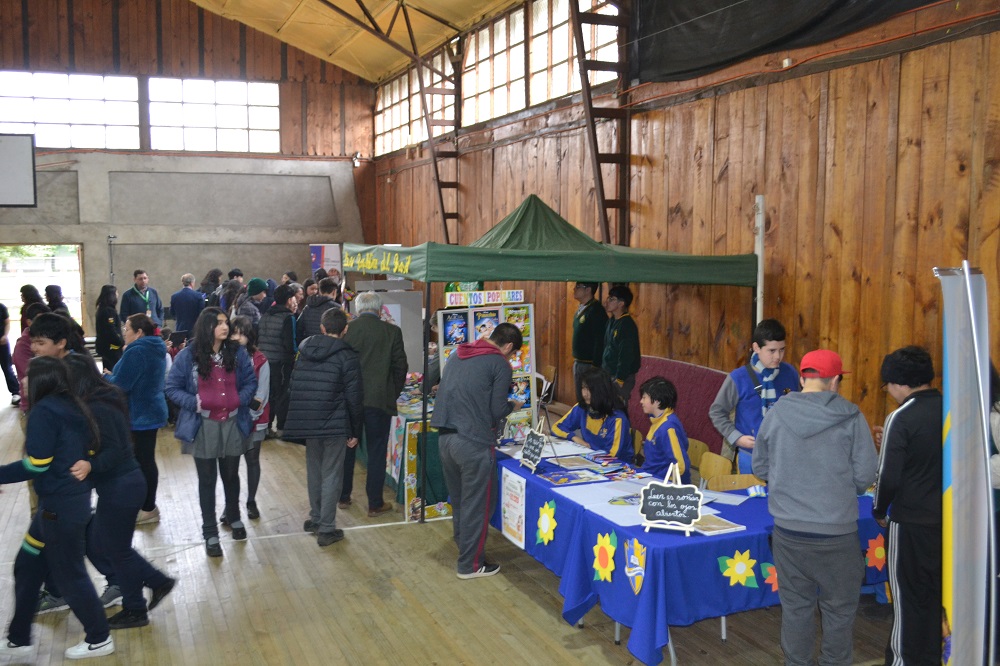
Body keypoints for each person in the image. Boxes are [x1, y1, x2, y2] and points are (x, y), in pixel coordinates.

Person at [752, 349, 877, 666]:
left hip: (789, 533)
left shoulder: (776, 413)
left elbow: (761, 467)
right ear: (835, 380)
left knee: (796, 609)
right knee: (839, 610)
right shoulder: (851, 416)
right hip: (837, 535)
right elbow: (864, 475)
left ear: (804, 378)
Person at [0, 356, 115, 660]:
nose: (21, 380)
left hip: (60, 511)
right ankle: (18, 637)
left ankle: (100, 638)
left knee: (69, 575)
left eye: (26, 376)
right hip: (59, 507)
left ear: (40, 381)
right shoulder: (71, 403)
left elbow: (37, 464)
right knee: (27, 565)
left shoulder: (44, 412)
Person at [65, 354, 176, 630]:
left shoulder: (96, 406)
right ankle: (152, 587)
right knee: (114, 548)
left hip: (121, 487)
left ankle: (137, 607)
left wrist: (90, 465)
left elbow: (114, 450)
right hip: (122, 485)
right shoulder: (105, 396)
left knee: (117, 551)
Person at [431, 322, 523, 579]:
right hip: (473, 442)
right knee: (478, 504)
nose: (511, 359)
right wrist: (512, 405)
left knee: (460, 500)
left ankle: (464, 547)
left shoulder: (458, 353)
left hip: (445, 437)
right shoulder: (499, 363)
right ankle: (470, 565)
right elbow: (496, 410)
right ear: (507, 347)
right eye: (513, 354)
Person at [165, 308, 257, 557]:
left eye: (226, 322)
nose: (225, 326)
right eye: (218, 323)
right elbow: (171, 387)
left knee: (231, 476)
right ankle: (209, 532)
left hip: (233, 423)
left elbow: (250, 382)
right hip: (203, 426)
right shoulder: (188, 355)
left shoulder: (237, 352)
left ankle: (234, 517)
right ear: (206, 327)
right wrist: (194, 402)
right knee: (207, 480)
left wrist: (239, 399)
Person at [871, 346, 942, 665]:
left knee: (907, 602)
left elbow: (888, 476)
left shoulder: (900, 417)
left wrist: (879, 511)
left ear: (898, 383)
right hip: (948, 523)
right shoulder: (951, 409)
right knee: (937, 600)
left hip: (910, 524)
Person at [284, 308, 363, 546]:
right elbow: (354, 397)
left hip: (308, 420)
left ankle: (316, 518)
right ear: (345, 330)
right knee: (332, 473)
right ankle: (327, 529)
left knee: (315, 470)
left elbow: (293, 386)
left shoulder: (304, 352)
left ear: (322, 327)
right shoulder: (347, 357)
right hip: (335, 423)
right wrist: (355, 430)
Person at [341, 292, 408, 517]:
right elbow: (400, 368)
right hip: (379, 401)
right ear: (380, 310)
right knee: (377, 451)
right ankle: (375, 503)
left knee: (348, 447)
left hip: (350, 401)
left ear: (358, 309)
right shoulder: (392, 331)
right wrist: (392, 392)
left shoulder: (347, 330)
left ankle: (343, 496)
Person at [710, 318, 800, 474]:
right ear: (756, 348)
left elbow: (799, 409)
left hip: (785, 455)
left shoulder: (790, 373)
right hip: (750, 456)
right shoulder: (738, 378)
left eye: (782, 350)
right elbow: (717, 412)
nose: (778, 356)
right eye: (771, 351)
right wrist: (736, 437)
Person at [105, 314, 169, 525]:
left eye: (127, 328)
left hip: (141, 414)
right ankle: (145, 504)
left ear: (139, 332)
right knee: (144, 460)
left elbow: (121, 385)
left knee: (143, 461)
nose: (124, 332)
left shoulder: (138, 351)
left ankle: (148, 508)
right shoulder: (152, 347)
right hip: (149, 411)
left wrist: (105, 377)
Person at [225, 315, 270, 520]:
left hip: (255, 419)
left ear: (249, 336)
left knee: (252, 460)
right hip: (231, 419)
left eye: (242, 333)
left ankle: (251, 501)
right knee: (230, 465)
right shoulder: (224, 358)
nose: (237, 337)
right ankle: (230, 505)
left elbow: (261, 395)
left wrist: (251, 416)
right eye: (234, 332)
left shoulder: (260, 360)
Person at [551, 367, 632, 463]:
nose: (585, 394)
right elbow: (556, 428)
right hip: (590, 460)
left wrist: (586, 457)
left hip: (616, 467)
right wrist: (574, 437)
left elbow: (611, 455)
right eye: (583, 388)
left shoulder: (617, 418)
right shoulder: (582, 408)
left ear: (602, 391)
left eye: (589, 389)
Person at [258, 284, 298, 438]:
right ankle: (281, 428)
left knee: (268, 394)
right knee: (282, 395)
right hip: (281, 363)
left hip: (263, 361)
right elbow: (290, 344)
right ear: (289, 300)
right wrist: (296, 356)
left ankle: (266, 427)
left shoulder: (266, 314)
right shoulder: (288, 317)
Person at [638, 376, 691, 482]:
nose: (641, 401)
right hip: (650, 477)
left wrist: (665, 485)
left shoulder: (668, 427)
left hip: (661, 483)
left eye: (644, 398)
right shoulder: (656, 421)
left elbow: (680, 466)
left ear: (657, 401)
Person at [602, 284, 640, 408]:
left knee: (618, 409)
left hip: (620, 376)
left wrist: (620, 379)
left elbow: (626, 355)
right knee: (606, 408)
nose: (607, 301)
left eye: (612, 299)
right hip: (608, 372)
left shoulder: (627, 325)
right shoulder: (611, 321)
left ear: (621, 303)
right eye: (608, 298)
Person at [571, 282, 607, 405]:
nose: (574, 289)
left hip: (589, 365)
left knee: (590, 399)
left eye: (578, 287)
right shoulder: (582, 308)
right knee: (580, 398)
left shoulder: (596, 310)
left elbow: (600, 340)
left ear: (588, 290)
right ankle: (582, 422)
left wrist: (596, 366)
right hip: (579, 362)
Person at [298, 277, 341, 343]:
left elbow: (298, 328)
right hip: (329, 347)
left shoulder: (307, 308)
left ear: (320, 291)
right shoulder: (337, 308)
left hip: (310, 347)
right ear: (334, 291)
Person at [94, 285, 125, 371]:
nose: (118, 295)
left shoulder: (103, 309)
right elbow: (111, 330)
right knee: (113, 370)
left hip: (107, 346)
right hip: (111, 347)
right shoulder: (108, 311)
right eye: (116, 293)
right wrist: (121, 342)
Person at [0, 300, 19, 405]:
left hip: (2, 343)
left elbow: (7, 322)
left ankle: (16, 393)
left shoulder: (1, 307)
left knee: (7, 367)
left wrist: (5, 335)